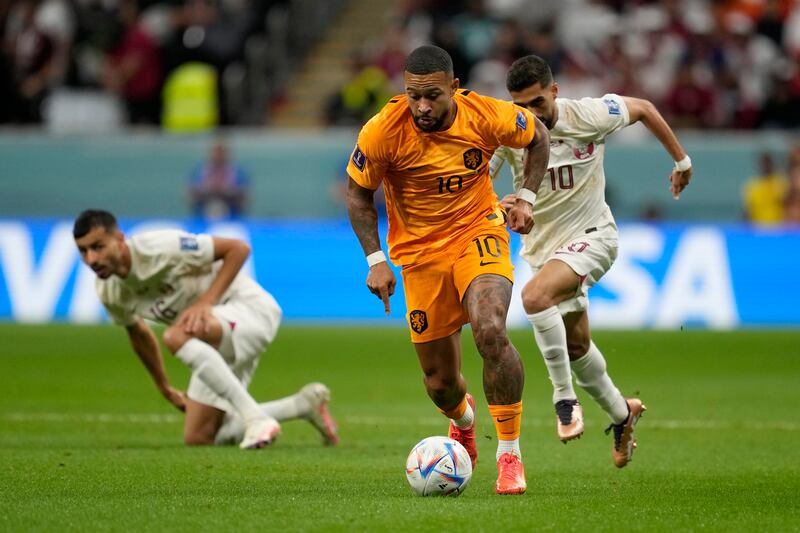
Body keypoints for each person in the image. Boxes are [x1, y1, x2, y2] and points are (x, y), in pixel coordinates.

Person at [346, 45, 550, 495]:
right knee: (440, 384)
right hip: (418, 257)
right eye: (413, 95)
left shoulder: (484, 115)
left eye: (432, 96)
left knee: (490, 328)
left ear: (454, 88)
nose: (421, 106)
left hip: (478, 233)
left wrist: (527, 196)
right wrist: (376, 260)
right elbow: (358, 195)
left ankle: (509, 454)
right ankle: (465, 421)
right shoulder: (382, 131)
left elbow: (537, 136)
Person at [491, 55, 693, 468]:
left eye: (537, 103)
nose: (530, 114)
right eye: (520, 106)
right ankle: (623, 414)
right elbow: (476, 181)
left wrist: (682, 161)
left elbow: (644, 109)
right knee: (577, 344)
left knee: (533, 298)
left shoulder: (588, 115)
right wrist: (498, 204)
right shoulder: (508, 133)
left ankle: (564, 399)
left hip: (594, 236)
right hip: (544, 250)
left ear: (554, 92)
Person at [73, 209, 338, 449]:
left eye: (98, 246)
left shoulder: (159, 248)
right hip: (209, 338)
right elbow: (138, 333)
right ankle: (302, 405)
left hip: (249, 310)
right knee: (199, 437)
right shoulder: (109, 291)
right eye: (83, 251)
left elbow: (238, 249)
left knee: (175, 335)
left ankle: (256, 419)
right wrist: (165, 387)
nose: (92, 259)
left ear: (119, 238)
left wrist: (205, 302)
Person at [188, 139, 249, 220]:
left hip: (231, 214)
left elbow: (244, 195)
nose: (218, 156)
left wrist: (225, 192)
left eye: (221, 153)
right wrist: (210, 191)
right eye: (216, 153)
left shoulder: (237, 172)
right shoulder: (201, 171)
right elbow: (191, 193)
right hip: (203, 213)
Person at [742, 152, 788, 225]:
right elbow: (747, 211)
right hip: (758, 228)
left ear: (773, 164)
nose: (766, 166)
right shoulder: (752, 186)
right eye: (764, 163)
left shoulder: (781, 183)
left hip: (779, 228)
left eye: (768, 163)